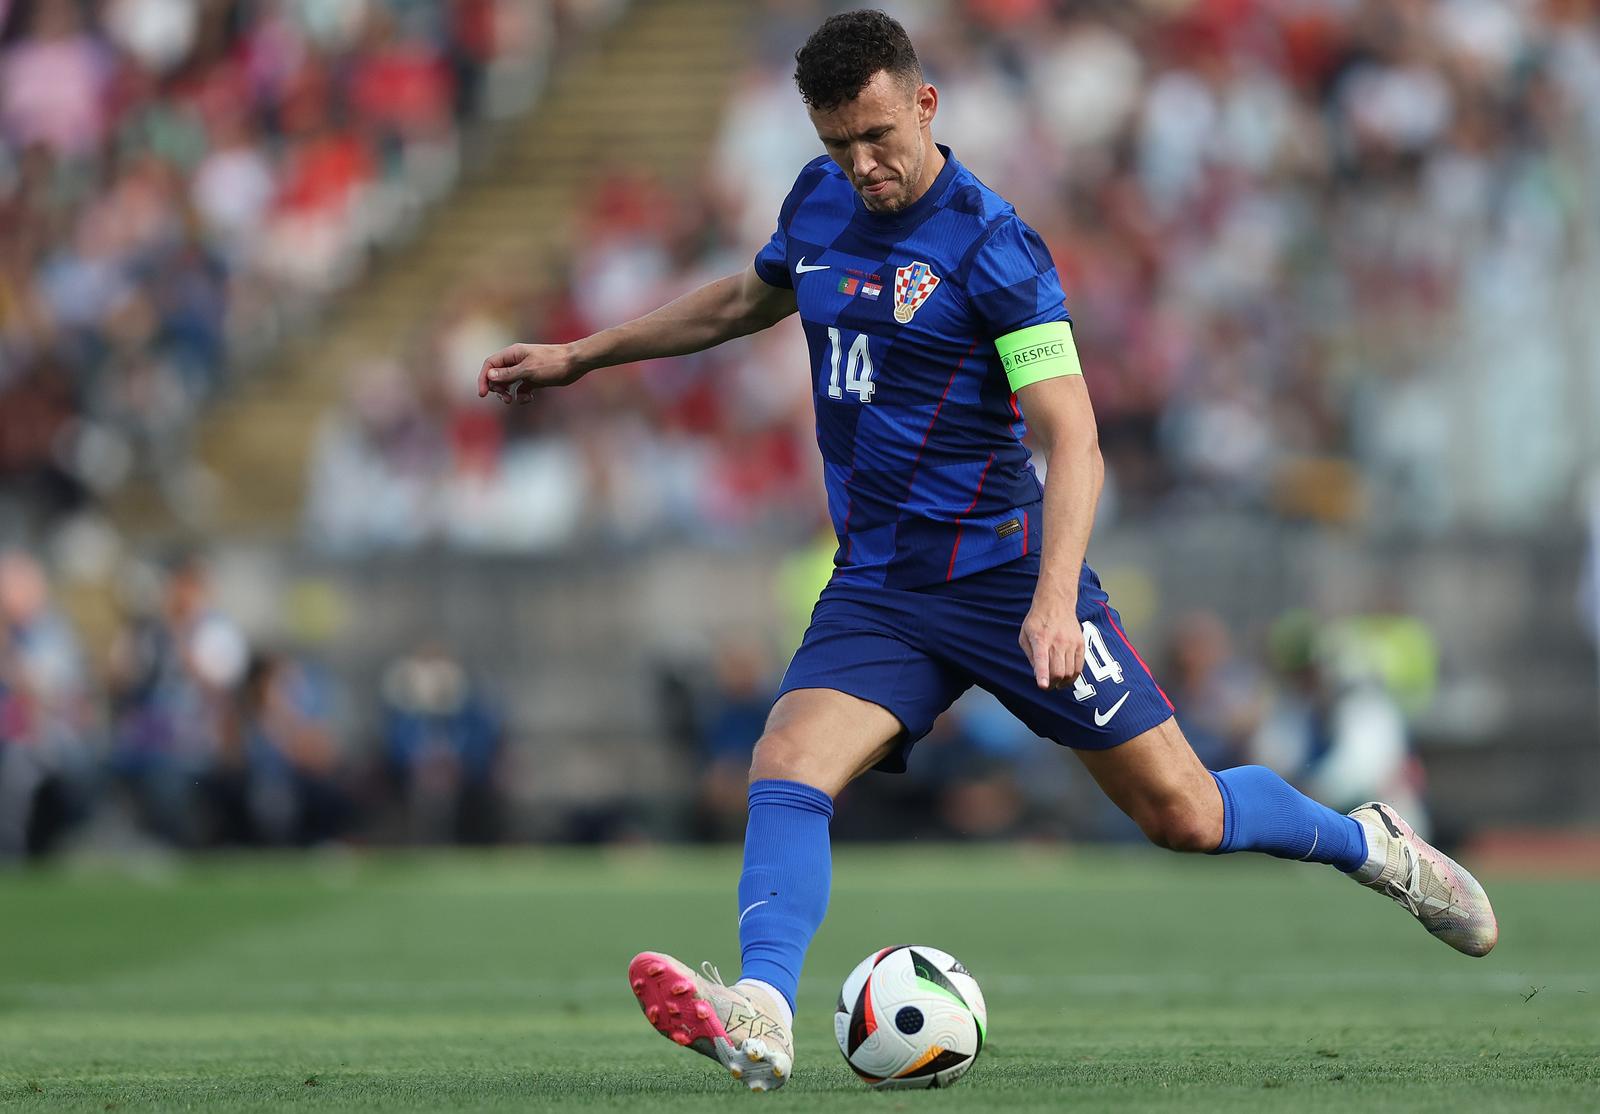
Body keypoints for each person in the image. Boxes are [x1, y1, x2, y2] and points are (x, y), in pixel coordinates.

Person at [477, 11, 1497, 1092]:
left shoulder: (990, 242)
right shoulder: (817, 204)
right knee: (783, 763)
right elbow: (741, 300)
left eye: (877, 136)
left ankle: (1370, 845)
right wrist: (582, 355)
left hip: (1008, 577)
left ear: (925, 104)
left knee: (1185, 816)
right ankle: (762, 1009)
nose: (861, 165)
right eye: (837, 144)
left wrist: (1054, 598)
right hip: (879, 584)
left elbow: (1075, 438)